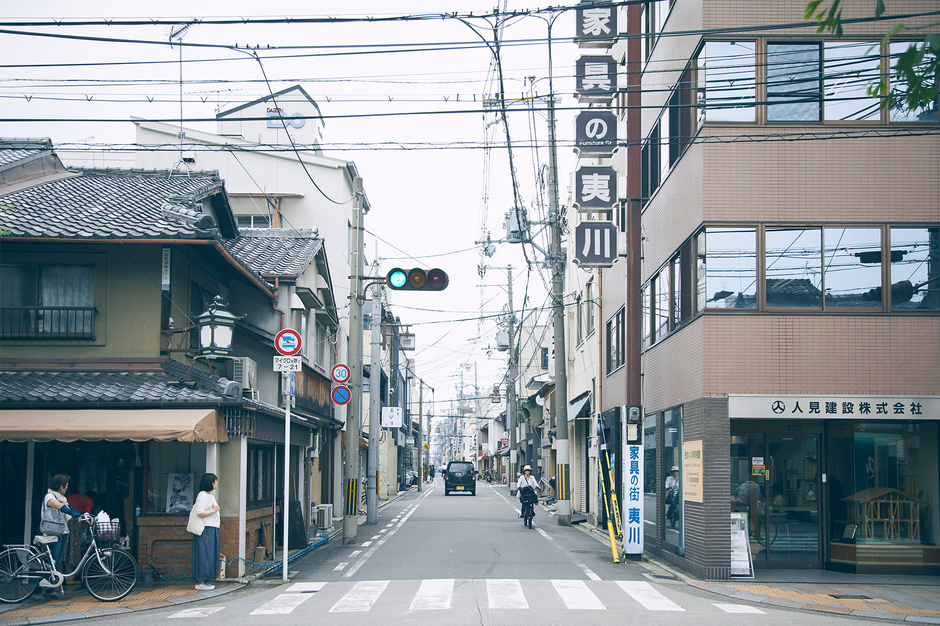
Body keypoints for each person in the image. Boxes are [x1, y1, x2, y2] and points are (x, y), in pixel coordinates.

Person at [41, 474, 82, 595]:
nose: (67, 489)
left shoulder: (62, 498)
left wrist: (81, 515)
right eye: (66, 486)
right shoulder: (50, 497)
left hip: (62, 532)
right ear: (60, 487)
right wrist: (74, 515)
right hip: (52, 534)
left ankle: (50, 589)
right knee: (51, 562)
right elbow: (59, 507)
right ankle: (41, 588)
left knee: (57, 562)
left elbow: (69, 507)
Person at [191, 473, 221, 591]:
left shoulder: (210, 496)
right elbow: (200, 513)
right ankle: (201, 581)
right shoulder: (202, 496)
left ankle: (207, 579)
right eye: (215, 481)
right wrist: (214, 510)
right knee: (205, 553)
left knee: (210, 553)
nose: (217, 483)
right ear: (211, 483)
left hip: (212, 527)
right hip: (206, 528)